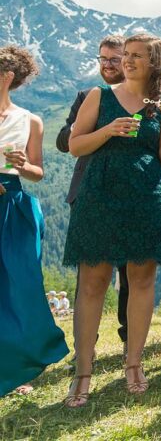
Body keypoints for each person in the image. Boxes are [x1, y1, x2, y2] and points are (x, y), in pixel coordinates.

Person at [62, 33, 161, 406]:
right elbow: (74, 145)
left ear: (154, 63)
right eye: (125, 55)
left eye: (136, 56)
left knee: (142, 279)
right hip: (99, 195)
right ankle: (83, 373)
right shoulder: (100, 97)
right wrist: (108, 130)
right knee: (93, 281)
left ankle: (134, 365)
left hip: (147, 196)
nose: (127, 61)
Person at [0, 45, 68, 397]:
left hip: (13, 207)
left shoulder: (31, 121)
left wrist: (22, 164)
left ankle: (17, 368)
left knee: (21, 288)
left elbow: (37, 173)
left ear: (8, 77)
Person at [56, 35, 132, 346]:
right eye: (103, 59)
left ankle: (130, 337)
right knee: (88, 276)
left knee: (131, 271)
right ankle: (84, 346)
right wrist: (87, 127)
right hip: (88, 193)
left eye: (114, 59)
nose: (108, 65)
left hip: (130, 193)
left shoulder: (140, 99)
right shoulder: (87, 95)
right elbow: (64, 141)